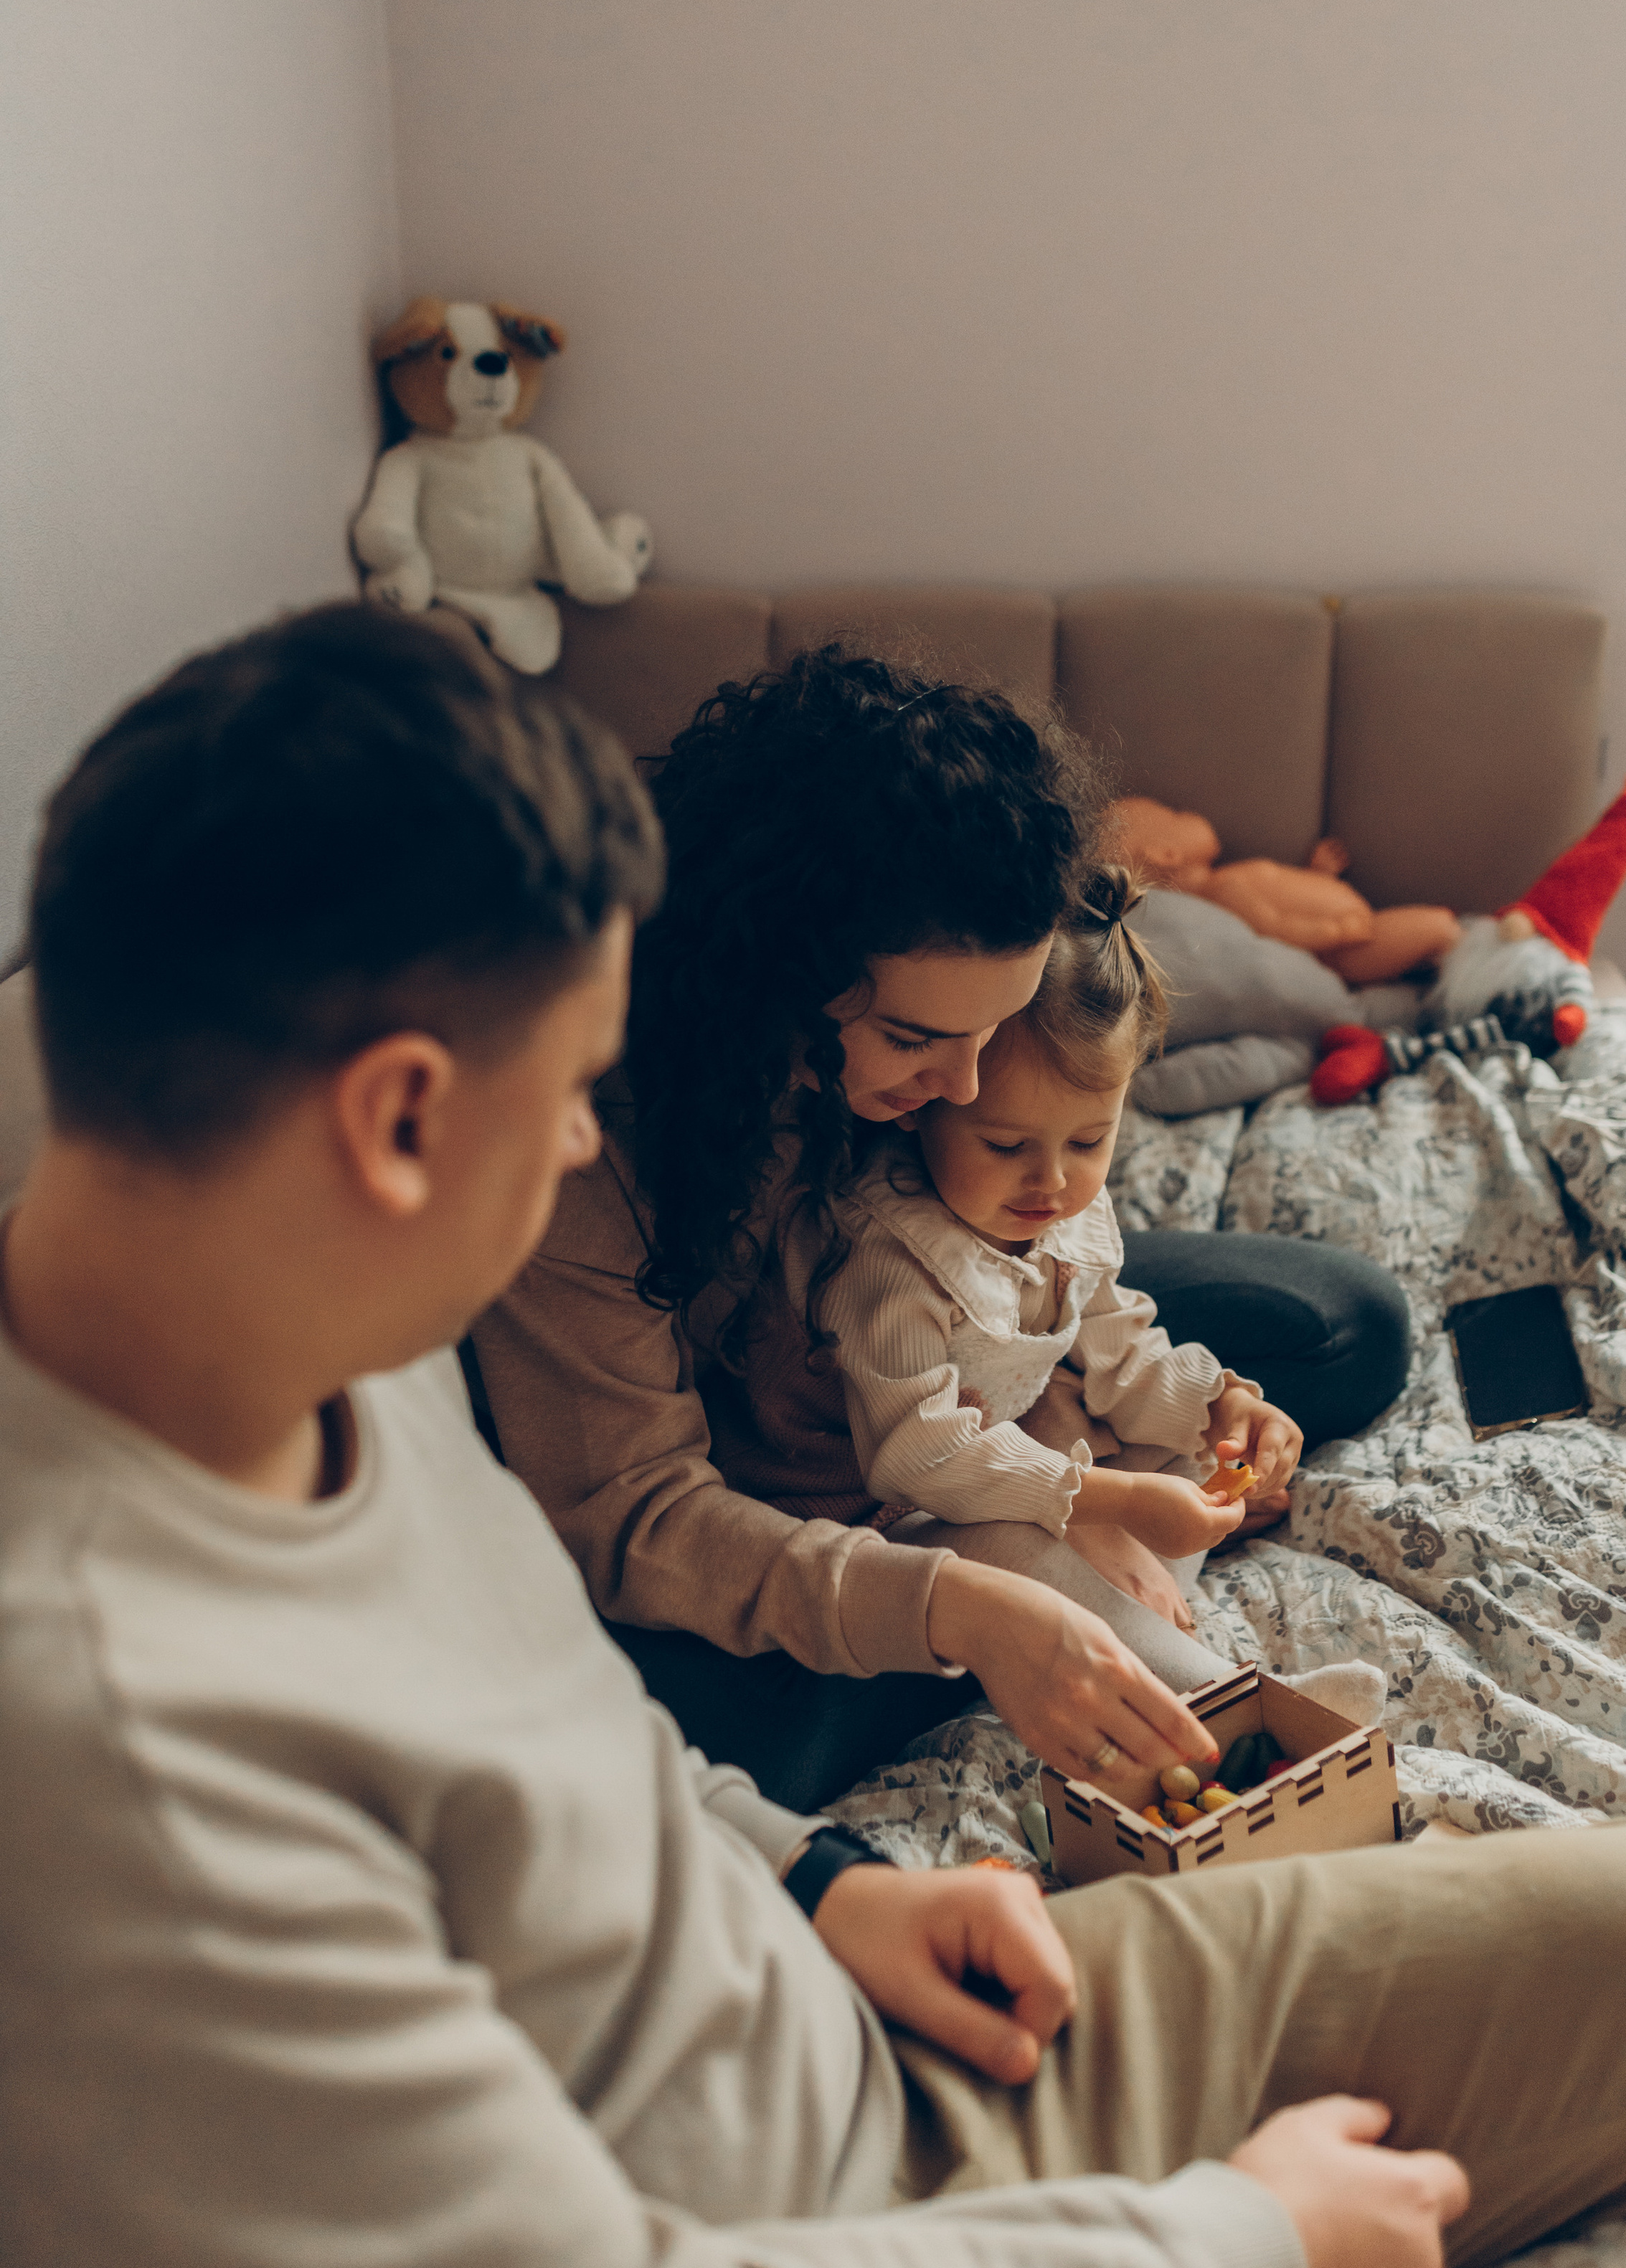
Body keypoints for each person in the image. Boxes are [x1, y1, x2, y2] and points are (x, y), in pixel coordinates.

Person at [6, 603, 1626, 2268]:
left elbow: (550, 1730)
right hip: (825, 2234)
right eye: (564, 1090)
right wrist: (1249, 2264)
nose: (581, 1141)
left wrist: (809, 1880)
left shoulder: (318, 1333)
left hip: (871, 2016)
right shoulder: (111, 1765)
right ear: (395, 1122)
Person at [472, 649, 1412, 1808]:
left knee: (1350, 1326)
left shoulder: (924, 1077)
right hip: (786, 1474)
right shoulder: (584, 1143)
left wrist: (1072, 1476)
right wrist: (979, 1582)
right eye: (921, 1038)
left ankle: (1040, 1617)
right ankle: (1093, 1662)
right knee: (739, 1750)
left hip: (946, 1340)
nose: (967, 1090)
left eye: (996, 1028)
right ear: (776, 981)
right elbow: (641, 1517)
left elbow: (996, 1290)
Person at [809, 867, 1299, 1721]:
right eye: (1003, 1145)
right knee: (1005, 1547)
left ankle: (1138, 1609)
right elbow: (919, 1457)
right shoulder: (890, 1257)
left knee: (1179, 1462)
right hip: (909, 1521)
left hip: (1038, 1474)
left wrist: (1221, 1408)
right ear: (927, 1105)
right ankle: (1212, 1699)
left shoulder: (1060, 1205)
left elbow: (1121, 1350)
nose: (1051, 1181)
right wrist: (1101, 1505)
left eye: (1089, 1139)